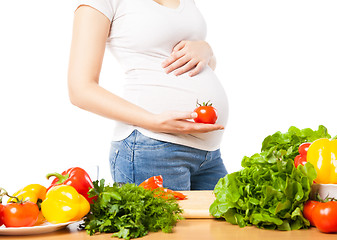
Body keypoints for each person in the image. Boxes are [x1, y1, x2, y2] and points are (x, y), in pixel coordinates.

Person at [68, 0, 229, 190]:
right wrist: (152, 121)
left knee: (221, 220)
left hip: (208, 153)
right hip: (152, 147)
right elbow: (80, 90)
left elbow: (194, 68)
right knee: (168, 220)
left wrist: (207, 51)